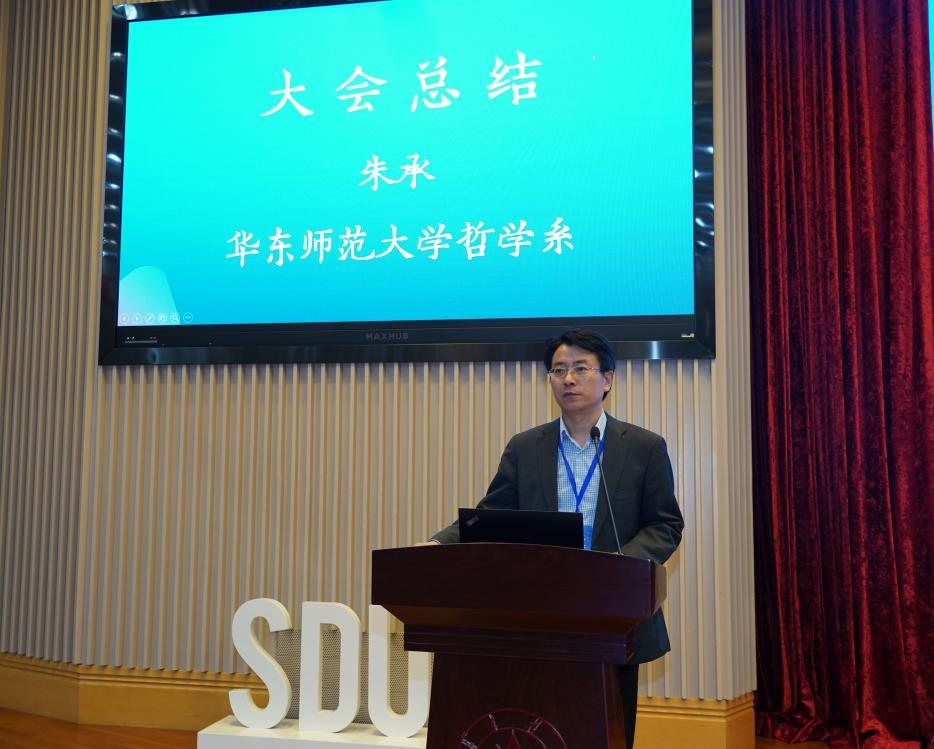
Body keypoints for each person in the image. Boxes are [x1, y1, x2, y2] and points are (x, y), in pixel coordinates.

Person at [421, 328, 684, 749]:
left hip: (612, 609)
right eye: (558, 370)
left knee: (609, 728)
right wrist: (440, 545)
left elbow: (664, 524)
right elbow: (490, 517)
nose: (568, 379)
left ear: (608, 379)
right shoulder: (526, 447)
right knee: (538, 719)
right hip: (538, 608)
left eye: (581, 368)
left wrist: (621, 564)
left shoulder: (643, 447)